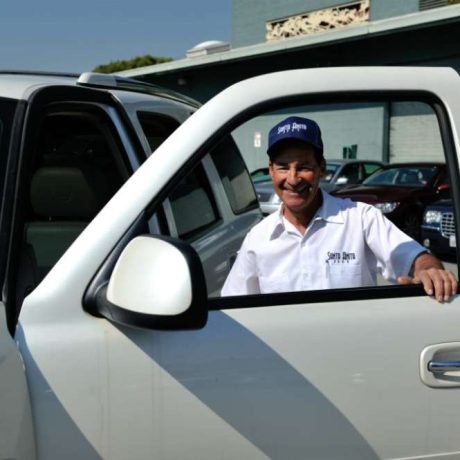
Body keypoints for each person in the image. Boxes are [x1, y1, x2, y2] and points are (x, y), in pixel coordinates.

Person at [222, 116, 457, 302]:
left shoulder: (361, 219)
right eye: (283, 167)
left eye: (304, 167)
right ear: (271, 170)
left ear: (321, 169)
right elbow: (234, 307)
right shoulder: (259, 238)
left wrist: (429, 271)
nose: (293, 179)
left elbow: (415, 257)